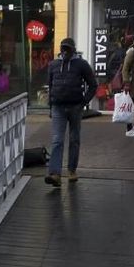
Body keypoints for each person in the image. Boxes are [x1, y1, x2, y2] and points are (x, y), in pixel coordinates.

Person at [45, 37, 98, 186]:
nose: (65, 51)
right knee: (57, 140)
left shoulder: (81, 65)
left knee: (74, 139)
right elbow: (50, 86)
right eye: (63, 48)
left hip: (75, 106)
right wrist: (51, 106)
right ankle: (55, 173)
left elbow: (93, 85)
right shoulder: (53, 65)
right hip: (58, 106)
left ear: (73, 49)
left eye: (68, 48)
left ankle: (71, 170)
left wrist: (83, 102)